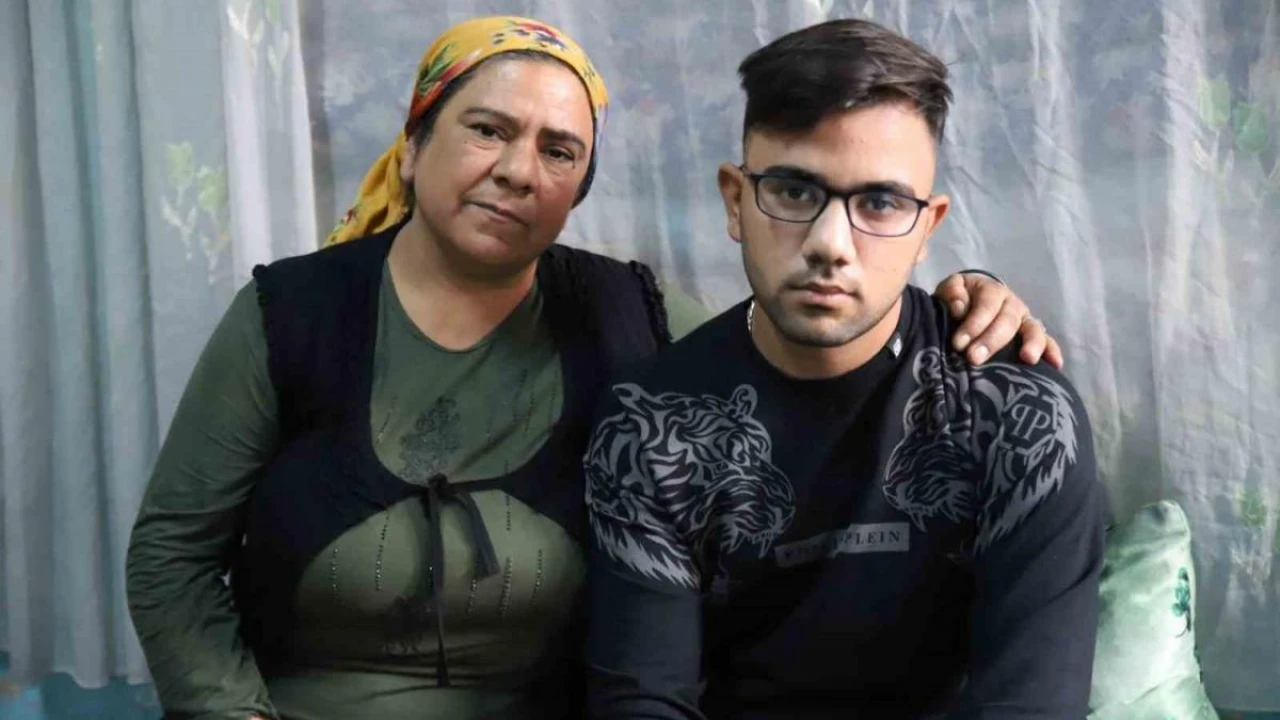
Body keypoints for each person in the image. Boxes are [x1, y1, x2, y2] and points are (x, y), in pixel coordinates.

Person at [126, 15, 1064, 720]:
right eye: (486, 130)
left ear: (577, 189)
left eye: (558, 150)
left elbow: (799, 329)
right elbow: (171, 557)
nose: (517, 170)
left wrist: (963, 304)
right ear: (412, 147)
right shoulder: (290, 315)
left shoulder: (631, 316)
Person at [583, 17, 1106, 720]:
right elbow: (644, 702)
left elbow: (1031, 704)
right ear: (736, 200)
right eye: (795, 192)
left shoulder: (1017, 411)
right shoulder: (652, 426)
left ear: (927, 227)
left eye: (880, 203)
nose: (831, 244)